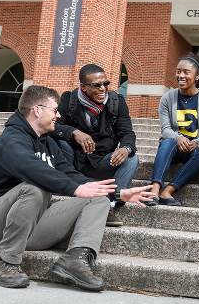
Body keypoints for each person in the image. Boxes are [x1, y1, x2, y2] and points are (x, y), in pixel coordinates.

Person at [0, 85, 154, 291]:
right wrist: (75, 190)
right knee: (34, 188)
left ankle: (75, 260)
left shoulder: (48, 143)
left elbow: (71, 174)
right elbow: (32, 169)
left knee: (97, 199)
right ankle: (6, 262)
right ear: (37, 110)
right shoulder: (11, 139)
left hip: (29, 226)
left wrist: (117, 193)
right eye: (55, 110)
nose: (58, 116)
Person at [53, 64, 138, 227]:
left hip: (102, 162)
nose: (103, 89)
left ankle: (110, 202)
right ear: (83, 87)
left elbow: (127, 133)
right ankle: (69, 186)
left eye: (105, 84)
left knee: (132, 159)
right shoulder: (69, 100)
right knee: (59, 142)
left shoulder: (117, 102)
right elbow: (52, 127)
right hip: (74, 161)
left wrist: (125, 148)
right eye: (96, 85)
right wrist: (74, 132)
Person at [147, 52, 199, 206]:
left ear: (197, 76)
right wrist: (178, 138)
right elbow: (165, 129)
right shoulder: (167, 98)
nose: (181, 76)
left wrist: (196, 142)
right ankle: (155, 189)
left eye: (186, 72)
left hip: (194, 150)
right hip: (173, 148)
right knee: (167, 141)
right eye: (178, 71)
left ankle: (167, 192)